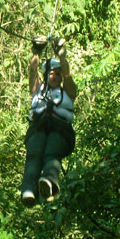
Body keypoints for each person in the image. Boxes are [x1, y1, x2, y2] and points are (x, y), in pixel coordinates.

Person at [21, 36, 77, 207]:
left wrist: (62, 55)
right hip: (39, 128)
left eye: (57, 74)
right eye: (51, 73)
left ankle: (49, 180)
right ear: (46, 75)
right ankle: (29, 190)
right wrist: (36, 52)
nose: (54, 76)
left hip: (60, 131)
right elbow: (32, 71)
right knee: (34, 155)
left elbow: (68, 75)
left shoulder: (68, 91)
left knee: (51, 151)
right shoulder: (38, 90)